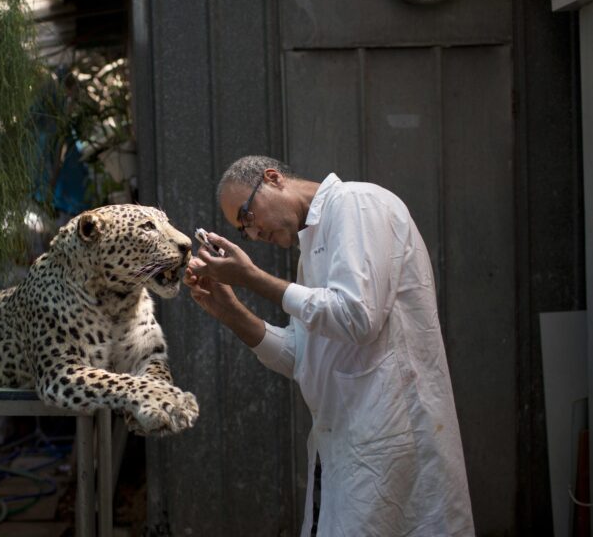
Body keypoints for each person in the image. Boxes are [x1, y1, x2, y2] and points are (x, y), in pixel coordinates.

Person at [184, 155, 475, 536]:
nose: (253, 236)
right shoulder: (313, 249)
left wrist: (252, 278)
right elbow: (302, 359)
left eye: (248, 217)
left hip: (390, 439)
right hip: (346, 447)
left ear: (272, 179)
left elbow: (357, 317)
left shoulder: (357, 203)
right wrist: (231, 311)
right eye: (243, 231)